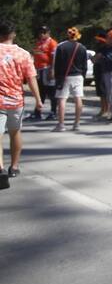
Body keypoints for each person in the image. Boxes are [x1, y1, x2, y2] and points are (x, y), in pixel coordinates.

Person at [0, 19, 43, 182]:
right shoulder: (24, 54)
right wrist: (38, 100)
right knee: (15, 132)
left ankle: (0, 168)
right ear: (13, 34)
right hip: (16, 100)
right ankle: (14, 166)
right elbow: (31, 79)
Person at [51, 27, 88, 132]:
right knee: (78, 98)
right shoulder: (82, 48)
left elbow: (57, 64)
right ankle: (77, 123)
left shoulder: (61, 47)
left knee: (62, 99)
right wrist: (83, 76)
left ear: (68, 35)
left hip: (64, 76)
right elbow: (84, 65)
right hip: (78, 76)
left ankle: (61, 124)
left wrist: (57, 77)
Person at [28, 25, 57, 120]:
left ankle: (53, 112)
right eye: (40, 32)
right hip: (39, 69)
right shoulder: (39, 42)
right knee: (40, 92)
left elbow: (54, 58)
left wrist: (52, 70)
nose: (41, 34)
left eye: (44, 32)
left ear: (48, 33)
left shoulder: (52, 43)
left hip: (47, 69)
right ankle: (38, 112)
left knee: (51, 92)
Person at [92, 33, 110, 120]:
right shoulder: (100, 48)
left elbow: (96, 58)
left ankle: (106, 110)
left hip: (103, 71)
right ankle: (103, 109)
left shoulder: (104, 48)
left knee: (103, 92)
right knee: (100, 92)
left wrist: (94, 58)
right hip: (98, 71)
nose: (97, 40)